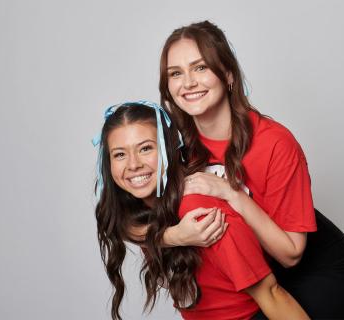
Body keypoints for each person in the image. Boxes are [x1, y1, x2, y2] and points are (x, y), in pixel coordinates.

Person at [157, 20, 344, 319]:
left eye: (200, 67)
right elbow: (132, 221)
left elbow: (291, 253)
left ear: (227, 74)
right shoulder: (173, 148)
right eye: (176, 73)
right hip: (261, 274)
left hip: (316, 270)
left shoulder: (275, 143)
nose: (188, 82)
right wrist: (173, 236)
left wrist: (231, 194)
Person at [93, 101, 309, 320]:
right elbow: (121, 226)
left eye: (146, 148)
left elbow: (271, 294)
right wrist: (172, 237)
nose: (133, 164)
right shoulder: (139, 210)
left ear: (169, 149)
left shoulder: (200, 213)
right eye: (120, 154)